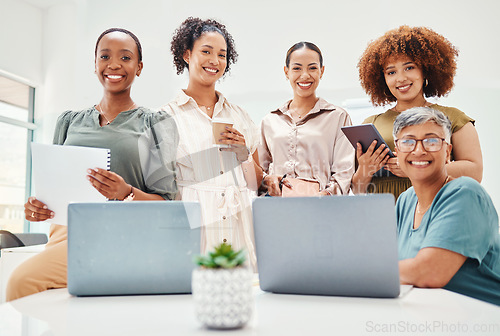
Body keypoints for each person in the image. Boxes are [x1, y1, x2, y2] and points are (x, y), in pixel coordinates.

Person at [6, 28, 178, 301]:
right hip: (65, 236)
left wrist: (126, 193)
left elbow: (168, 204)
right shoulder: (69, 121)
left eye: (125, 57)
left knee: (21, 280)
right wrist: (37, 207)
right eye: (105, 56)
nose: (114, 65)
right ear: (95, 64)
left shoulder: (155, 124)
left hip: (121, 235)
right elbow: (53, 188)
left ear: (139, 67)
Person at [161, 17, 262, 269]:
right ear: (187, 54)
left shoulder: (240, 115)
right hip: (194, 222)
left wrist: (244, 155)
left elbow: (256, 184)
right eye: (206, 51)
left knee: (243, 295)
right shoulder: (165, 117)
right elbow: (160, 189)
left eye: (222, 54)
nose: (214, 61)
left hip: (240, 221)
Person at [351, 25, 483, 199]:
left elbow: (475, 173)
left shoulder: (454, 118)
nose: (401, 78)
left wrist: (415, 167)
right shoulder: (372, 124)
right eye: (391, 72)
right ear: (382, 79)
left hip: (436, 211)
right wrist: (365, 170)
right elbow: (357, 189)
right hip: (382, 218)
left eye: (409, 67)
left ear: (425, 70)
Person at [394, 107, 500, 306]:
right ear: (397, 153)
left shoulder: (465, 192)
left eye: (431, 141)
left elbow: (430, 272)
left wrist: (356, 272)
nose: (419, 150)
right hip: (430, 315)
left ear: (447, 152)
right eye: (408, 142)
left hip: (483, 320)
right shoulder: (405, 201)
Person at [259, 42, 354, 196]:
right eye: (297, 68)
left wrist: (324, 197)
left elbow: (344, 173)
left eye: (312, 68)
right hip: (278, 209)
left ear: (321, 71)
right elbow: (260, 174)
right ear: (286, 72)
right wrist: (269, 181)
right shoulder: (270, 120)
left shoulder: (338, 117)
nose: (305, 75)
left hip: (323, 210)